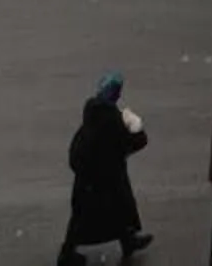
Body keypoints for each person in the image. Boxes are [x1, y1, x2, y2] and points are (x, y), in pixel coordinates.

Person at [56, 74, 152, 262]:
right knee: (118, 208)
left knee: (83, 216)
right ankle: (68, 255)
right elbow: (134, 142)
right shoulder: (111, 119)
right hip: (107, 178)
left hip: (88, 179)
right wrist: (136, 125)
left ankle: (125, 242)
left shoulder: (92, 114)